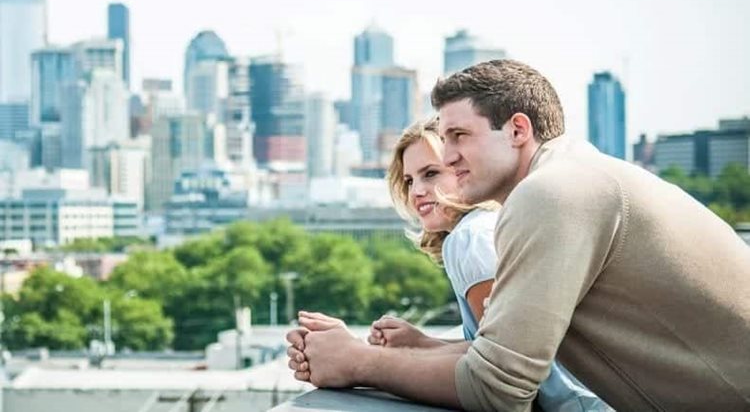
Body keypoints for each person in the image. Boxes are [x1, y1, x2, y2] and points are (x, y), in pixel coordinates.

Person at [288, 60, 750, 411]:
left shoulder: (550, 194)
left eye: (458, 136)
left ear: (517, 130)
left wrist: (355, 362)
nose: (448, 158)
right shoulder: (577, 176)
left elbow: (499, 389)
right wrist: (421, 347)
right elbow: (505, 356)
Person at [291, 117, 611, 411]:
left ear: (462, 170)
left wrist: (354, 359)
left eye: (431, 173)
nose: (417, 191)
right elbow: (504, 346)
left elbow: (504, 373)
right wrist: (423, 345)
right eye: (408, 180)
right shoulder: (491, 225)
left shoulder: (471, 237)